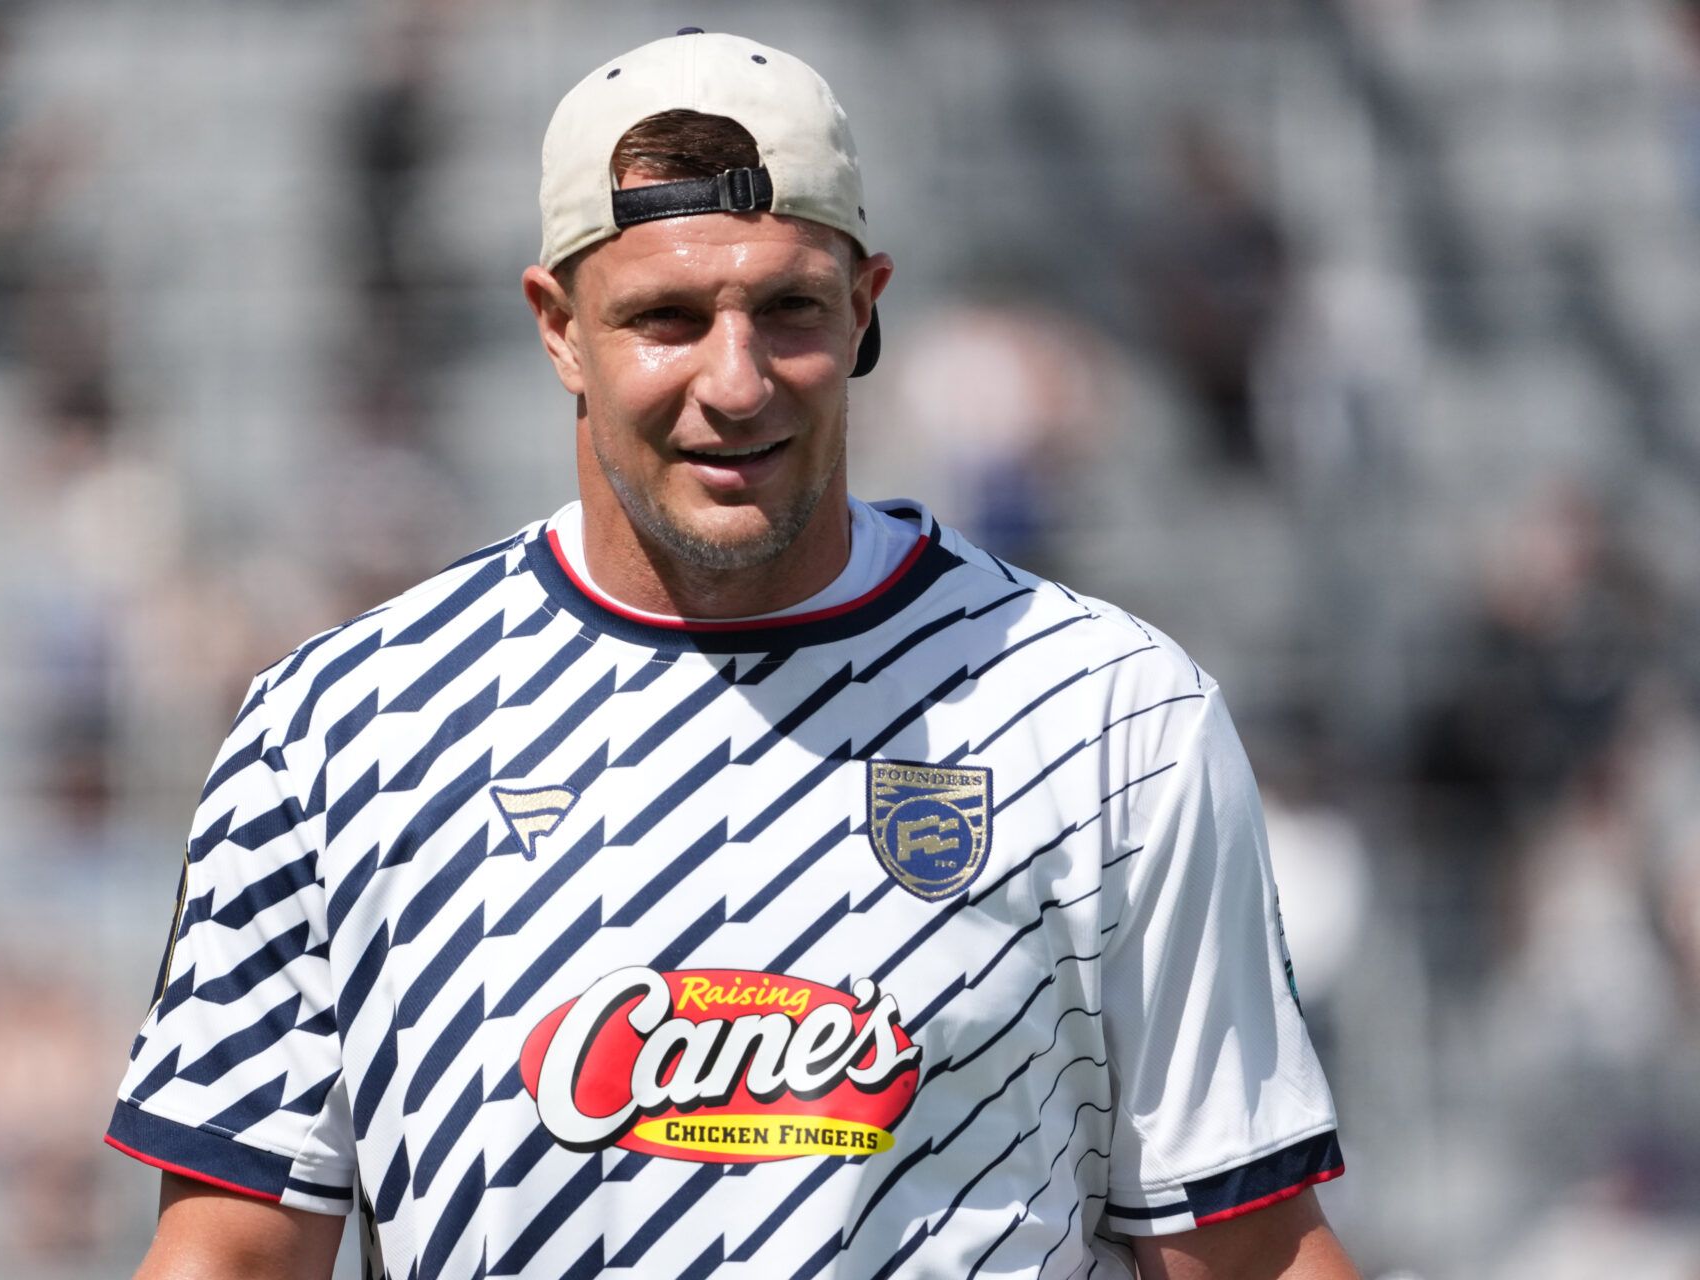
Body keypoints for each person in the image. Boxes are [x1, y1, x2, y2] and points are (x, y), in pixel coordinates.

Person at [105, 30, 1359, 1280]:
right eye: (664, 316)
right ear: (557, 328)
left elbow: (1247, 1252)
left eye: (789, 310)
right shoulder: (337, 731)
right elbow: (231, 1248)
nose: (737, 379)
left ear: (866, 305)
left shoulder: (1107, 715)